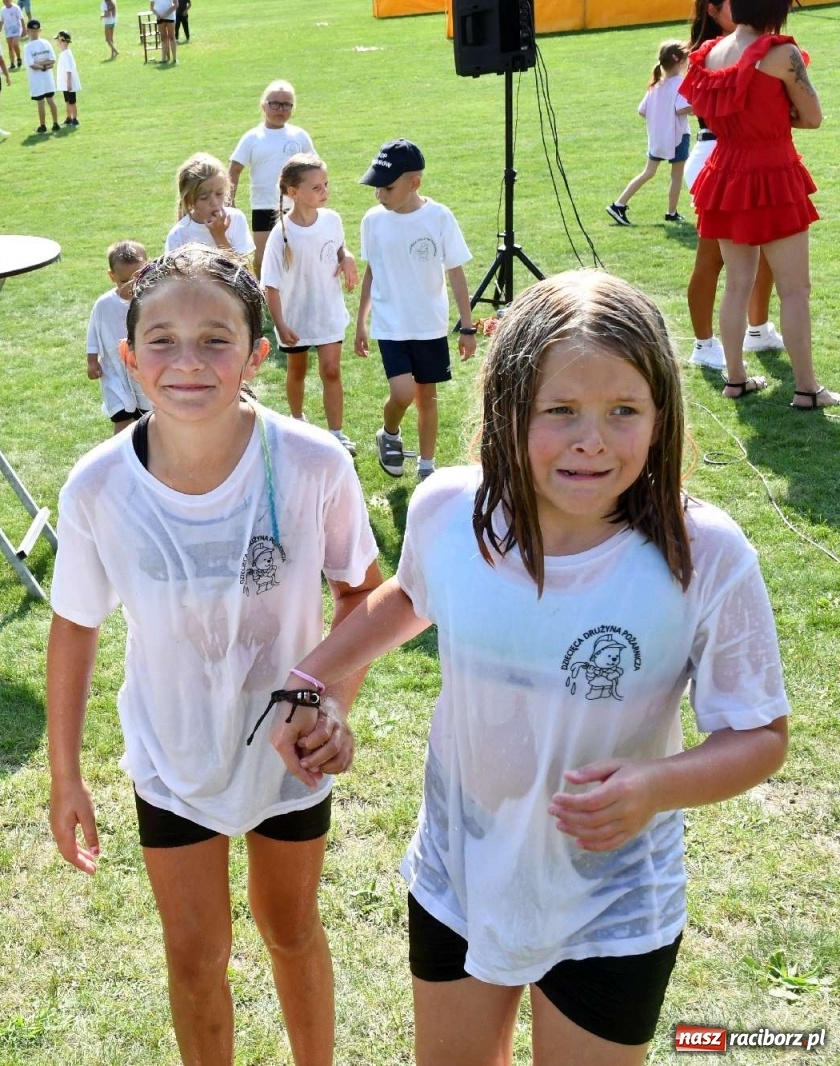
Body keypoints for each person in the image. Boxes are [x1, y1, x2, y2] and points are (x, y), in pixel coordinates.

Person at [269, 270, 791, 1066]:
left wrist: (656, 786)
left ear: (662, 416)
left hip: (612, 900)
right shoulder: (451, 510)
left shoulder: (702, 554)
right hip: (459, 874)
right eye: (561, 411)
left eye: (624, 411)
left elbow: (758, 732)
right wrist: (309, 679)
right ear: (508, 409)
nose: (592, 439)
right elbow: (410, 598)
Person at [49, 244, 382, 1066]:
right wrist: (66, 773)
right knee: (197, 960)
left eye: (215, 339)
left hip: (287, 754)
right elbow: (76, 626)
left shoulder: (311, 463)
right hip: (174, 755)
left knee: (290, 928)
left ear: (258, 352)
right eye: (160, 340)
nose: (186, 362)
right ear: (127, 358)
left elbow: (364, 597)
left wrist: (331, 703)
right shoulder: (98, 489)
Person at [684, 0, 834, 409]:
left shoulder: (709, 54)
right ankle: (807, 389)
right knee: (795, 290)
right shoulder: (781, 53)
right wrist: (774, 117)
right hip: (772, 170)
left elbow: (709, 112)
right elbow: (813, 117)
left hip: (725, 172)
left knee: (735, 284)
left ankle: (735, 380)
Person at [355, 138, 475, 482]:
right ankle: (389, 432)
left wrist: (466, 327)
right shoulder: (373, 221)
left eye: (387, 188)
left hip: (429, 325)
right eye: (376, 187)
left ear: (414, 183)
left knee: (427, 396)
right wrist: (362, 322)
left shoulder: (439, 217)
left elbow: (455, 271)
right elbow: (371, 271)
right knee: (403, 392)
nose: (380, 195)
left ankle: (426, 466)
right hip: (390, 324)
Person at [682, 0, 778, 372]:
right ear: (710, 9)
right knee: (713, 258)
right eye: (730, 2)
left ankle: (759, 329)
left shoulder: (749, 42)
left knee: (769, 250)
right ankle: (704, 344)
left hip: (747, 157)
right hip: (717, 155)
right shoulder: (709, 53)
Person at [262, 154, 358, 450]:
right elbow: (271, 285)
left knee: (331, 370)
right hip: (296, 317)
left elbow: (338, 248)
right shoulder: (281, 235)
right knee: (297, 370)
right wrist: (279, 323)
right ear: (293, 193)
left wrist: (348, 258)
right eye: (316, 187)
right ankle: (297, 421)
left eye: (326, 185)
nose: (324, 191)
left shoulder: (332, 220)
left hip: (327, 312)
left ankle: (336, 433)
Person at [229, 79, 316, 275]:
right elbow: (234, 169)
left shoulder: (299, 136)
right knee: (263, 259)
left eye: (286, 104)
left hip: (295, 205)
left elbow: (315, 167)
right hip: (263, 207)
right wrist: (230, 201)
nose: (280, 109)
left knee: (298, 256)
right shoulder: (252, 138)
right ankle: (264, 299)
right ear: (263, 105)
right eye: (274, 103)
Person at [607, 41, 692, 227]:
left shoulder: (656, 85)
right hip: (678, 136)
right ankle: (671, 212)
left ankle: (619, 204)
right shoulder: (680, 84)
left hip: (657, 138)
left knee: (648, 172)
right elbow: (682, 108)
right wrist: (699, 105)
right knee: (676, 175)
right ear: (680, 61)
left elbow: (642, 110)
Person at [85, 240, 150, 434]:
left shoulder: (152, 300)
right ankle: (119, 456)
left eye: (137, 278)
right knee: (122, 418)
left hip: (144, 371)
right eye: (124, 281)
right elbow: (93, 333)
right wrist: (92, 361)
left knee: (146, 418)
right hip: (114, 372)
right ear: (112, 276)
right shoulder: (104, 304)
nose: (131, 286)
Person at [164, 152, 254, 259]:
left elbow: (243, 272)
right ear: (189, 201)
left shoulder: (236, 219)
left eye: (219, 194)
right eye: (204, 197)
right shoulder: (178, 234)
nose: (214, 202)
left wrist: (219, 235)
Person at [23, 19, 58, 133]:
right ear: (40, 30)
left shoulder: (28, 47)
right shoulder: (46, 43)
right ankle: (55, 123)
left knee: (41, 102)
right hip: (47, 76)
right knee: (51, 100)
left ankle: (43, 125)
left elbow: (32, 64)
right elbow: (52, 60)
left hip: (37, 78)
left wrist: (40, 65)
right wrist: (45, 65)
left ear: (27, 31)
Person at [53, 30, 79, 126]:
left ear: (62, 41)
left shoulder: (67, 54)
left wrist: (68, 82)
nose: (57, 43)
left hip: (68, 82)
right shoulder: (63, 53)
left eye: (58, 40)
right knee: (67, 100)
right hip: (65, 82)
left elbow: (69, 69)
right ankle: (68, 117)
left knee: (72, 101)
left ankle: (75, 118)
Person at [0, 0, 24, 69]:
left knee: (15, 44)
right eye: (4, 1)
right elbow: (1, 21)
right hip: (8, 30)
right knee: (10, 47)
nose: (5, 1)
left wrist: (24, 29)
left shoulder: (16, 8)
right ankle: (12, 63)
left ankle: (18, 58)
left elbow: (21, 18)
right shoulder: (3, 10)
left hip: (16, 29)